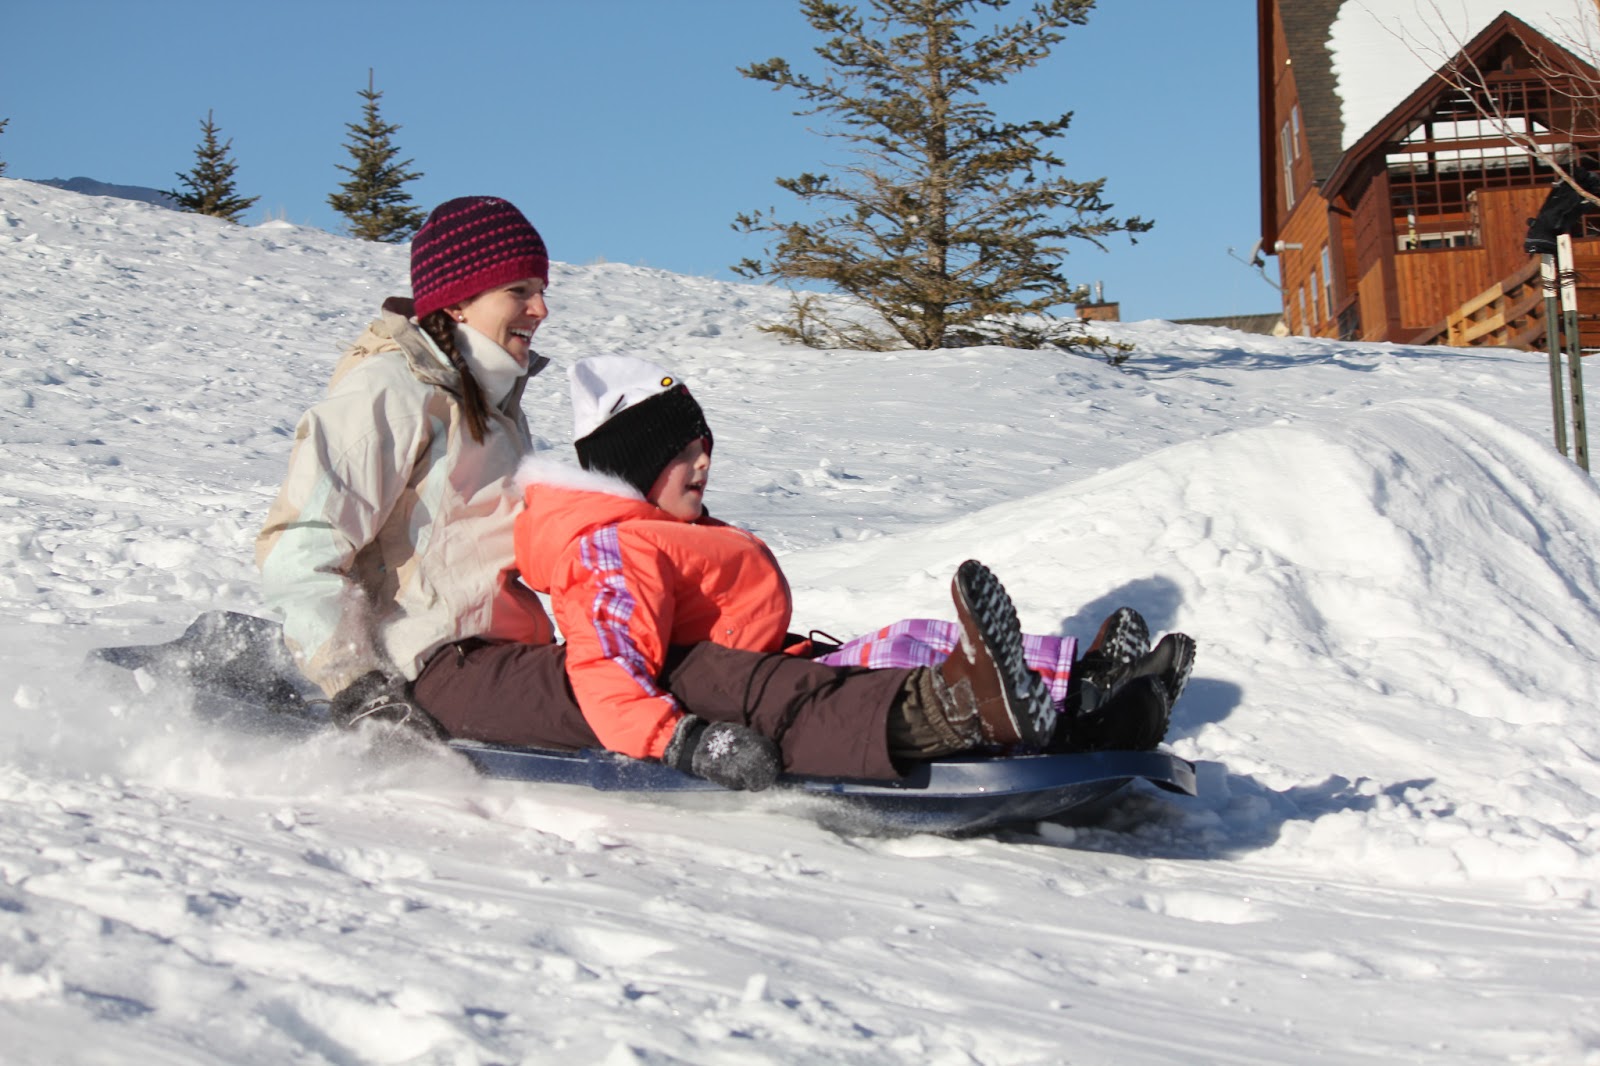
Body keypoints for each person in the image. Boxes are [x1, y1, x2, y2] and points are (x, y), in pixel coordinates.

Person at [256, 196, 1084, 792]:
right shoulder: (389, 393)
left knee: (702, 664)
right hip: (432, 670)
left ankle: (1053, 694)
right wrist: (359, 691)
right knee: (689, 683)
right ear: (459, 297)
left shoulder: (490, 403)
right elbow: (300, 551)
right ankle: (933, 714)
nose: (541, 308)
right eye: (522, 290)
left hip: (504, 655)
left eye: (541, 288)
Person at [513, 355, 1195, 776]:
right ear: (632, 467)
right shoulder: (609, 549)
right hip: (728, 696)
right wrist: (677, 740)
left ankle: (1087, 687)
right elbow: (606, 665)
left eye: (705, 445)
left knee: (911, 640)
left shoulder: (659, 530)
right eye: (683, 452)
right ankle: (1072, 713)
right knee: (898, 662)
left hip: (767, 668)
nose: (705, 462)